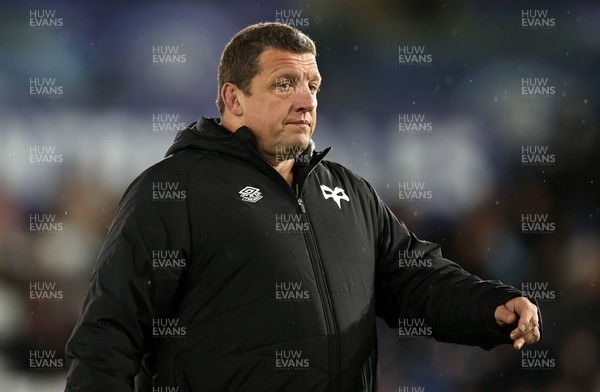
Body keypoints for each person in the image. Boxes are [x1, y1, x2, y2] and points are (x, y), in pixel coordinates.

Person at [64, 22, 541, 391]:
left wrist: (488, 307)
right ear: (234, 98)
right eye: (284, 83)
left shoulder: (348, 192)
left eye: (312, 84)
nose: (306, 100)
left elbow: (415, 279)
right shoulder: (173, 189)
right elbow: (109, 333)